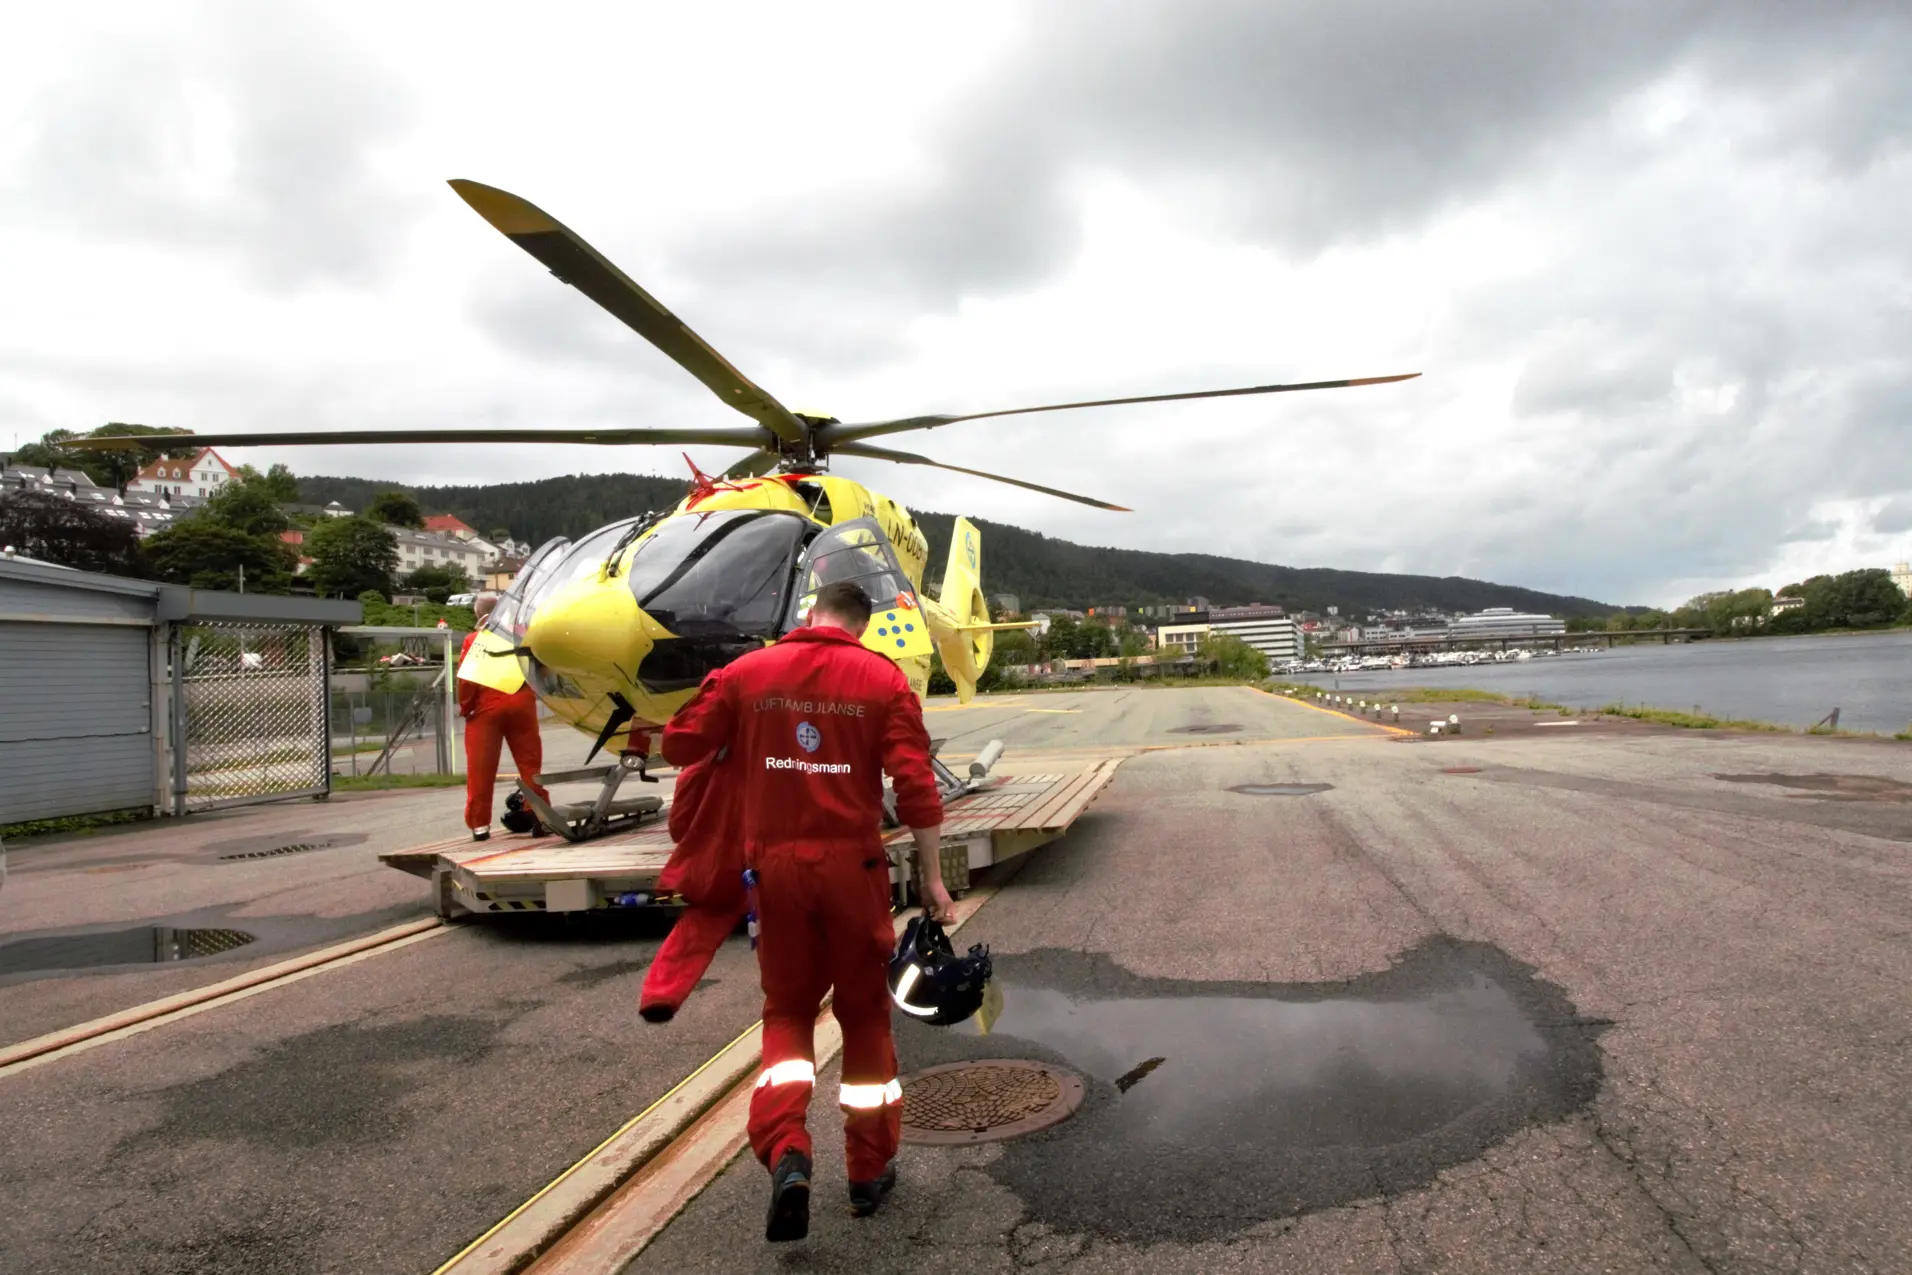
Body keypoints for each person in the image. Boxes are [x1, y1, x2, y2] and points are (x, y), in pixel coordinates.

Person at [663, 580, 954, 1243]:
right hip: (853, 870)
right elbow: (915, 785)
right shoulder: (882, 680)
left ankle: (787, 1144)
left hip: (776, 871)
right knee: (864, 1015)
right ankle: (866, 1173)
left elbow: (680, 742)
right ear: (862, 625)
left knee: (788, 1012)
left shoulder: (747, 671)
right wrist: (933, 878)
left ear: (808, 613)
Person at [637, 745, 747, 1022]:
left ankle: (662, 991)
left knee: (699, 925)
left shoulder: (707, 759)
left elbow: (680, 826)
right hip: (775, 852)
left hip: (721, 860)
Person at [459, 596, 549, 840]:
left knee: (481, 768)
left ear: (477, 614)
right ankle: (540, 816)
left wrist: (466, 708)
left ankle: (480, 825)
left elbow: (467, 679)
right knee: (530, 765)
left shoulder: (473, 640)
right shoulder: (519, 635)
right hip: (522, 703)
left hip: (486, 708)